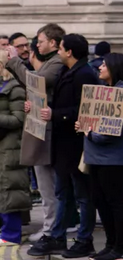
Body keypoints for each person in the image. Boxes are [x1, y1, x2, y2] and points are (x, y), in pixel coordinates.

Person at [36, 33, 100, 258]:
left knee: (83, 195)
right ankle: (58, 236)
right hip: (63, 145)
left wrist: (55, 114)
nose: (59, 51)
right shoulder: (66, 70)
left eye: (61, 48)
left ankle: (84, 240)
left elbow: (85, 110)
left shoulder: (85, 75)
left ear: (70, 52)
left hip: (77, 145)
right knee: (63, 193)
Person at [76, 53, 123, 260]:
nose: (100, 67)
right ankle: (111, 245)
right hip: (98, 157)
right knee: (101, 200)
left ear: (115, 67)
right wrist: (84, 125)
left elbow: (119, 128)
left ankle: (121, 249)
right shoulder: (106, 91)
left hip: (115, 158)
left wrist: (90, 133)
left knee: (116, 201)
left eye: (104, 64)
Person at [7, 24, 63, 250]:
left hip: (49, 133)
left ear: (53, 42)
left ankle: (52, 229)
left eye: (40, 41)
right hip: (40, 130)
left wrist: (15, 61)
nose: (36, 45)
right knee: (46, 185)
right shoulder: (49, 62)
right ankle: (51, 227)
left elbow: (37, 82)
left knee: (50, 187)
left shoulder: (56, 63)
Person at [0, 53, 30, 246]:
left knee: (10, 189)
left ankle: (10, 234)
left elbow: (18, 119)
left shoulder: (15, 88)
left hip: (10, 146)